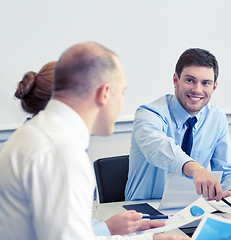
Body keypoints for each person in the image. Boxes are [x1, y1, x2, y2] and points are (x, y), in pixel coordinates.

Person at [0, 42, 188, 240]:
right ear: (104, 93)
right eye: (122, 92)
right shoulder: (62, 152)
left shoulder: (35, 134)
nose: (122, 104)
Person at [125, 48, 231, 201]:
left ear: (214, 87)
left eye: (206, 83)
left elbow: (229, 168)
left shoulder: (216, 118)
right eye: (190, 80)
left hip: (190, 211)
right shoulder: (148, 113)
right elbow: (159, 148)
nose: (197, 90)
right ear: (176, 80)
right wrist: (195, 168)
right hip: (145, 212)